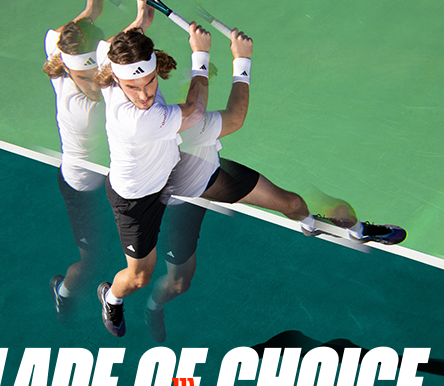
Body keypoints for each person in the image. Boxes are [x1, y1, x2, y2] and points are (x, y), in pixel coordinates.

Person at [144, 30, 407, 342]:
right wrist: (240, 59)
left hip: (213, 175)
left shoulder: (167, 113)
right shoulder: (178, 125)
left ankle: (330, 227)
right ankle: (153, 306)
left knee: (293, 203)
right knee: (179, 282)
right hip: (181, 202)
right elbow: (232, 116)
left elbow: (193, 100)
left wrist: (142, 20)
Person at [93, 0, 211, 337]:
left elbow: (115, 44)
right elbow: (196, 112)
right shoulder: (137, 120)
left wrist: (140, 20)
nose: (144, 95)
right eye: (133, 87)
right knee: (140, 277)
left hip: (170, 172)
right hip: (135, 200)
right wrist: (201, 54)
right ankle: (111, 297)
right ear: (116, 79)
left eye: (150, 82)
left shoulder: (111, 61)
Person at [43, 0, 109, 323]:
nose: (95, 83)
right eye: (86, 77)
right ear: (69, 69)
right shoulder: (87, 112)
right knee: (91, 260)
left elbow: (65, 34)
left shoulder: (59, 56)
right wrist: (139, 24)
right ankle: (64, 292)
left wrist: (90, 6)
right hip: (81, 185)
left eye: (96, 73)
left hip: (109, 175)